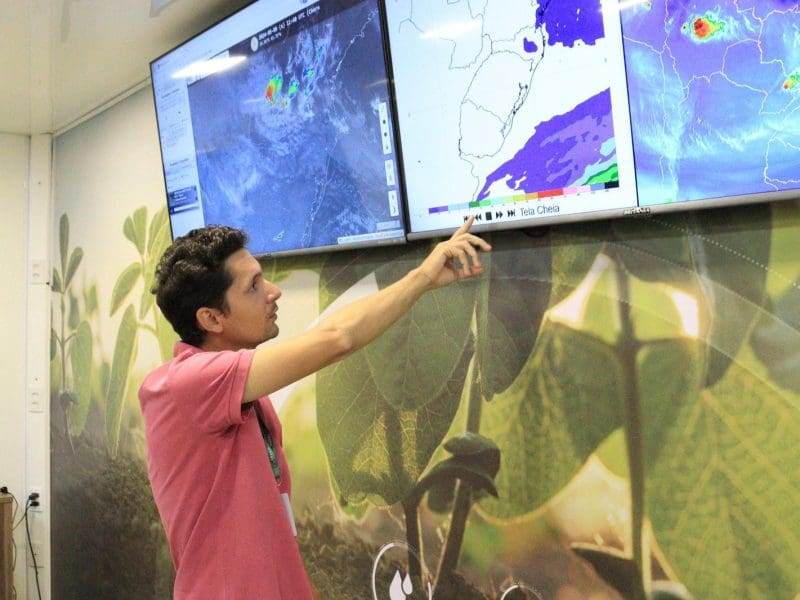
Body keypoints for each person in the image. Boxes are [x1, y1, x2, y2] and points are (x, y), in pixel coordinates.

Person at [138, 216, 490, 599]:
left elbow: (330, 329)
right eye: (254, 286)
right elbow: (337, 338)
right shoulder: (188, 384)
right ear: (211, 318)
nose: (273, 292)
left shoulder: (242, 396)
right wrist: (422, 277)